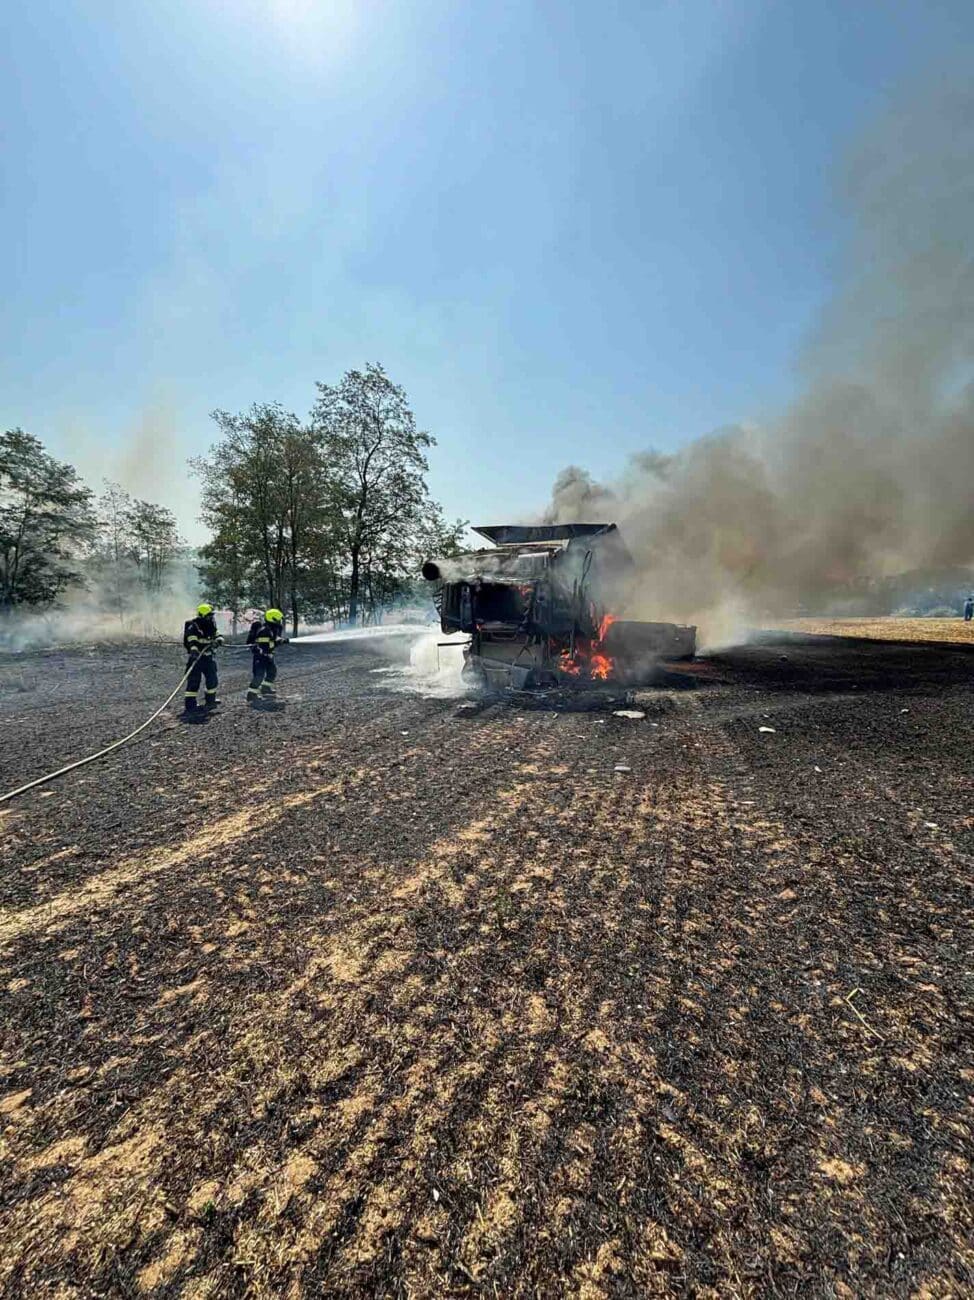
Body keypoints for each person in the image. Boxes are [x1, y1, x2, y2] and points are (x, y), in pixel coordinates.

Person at [183, 603, 224, 715]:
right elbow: (191, 639)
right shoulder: (194, 625)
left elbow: (217, 634)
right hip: (197, 658)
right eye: (209, 615)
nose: (211, 617)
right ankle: (190, 706)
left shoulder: (211, 624)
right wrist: (194, 650)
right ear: (203, 615)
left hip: (208, 656)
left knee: (212, 679)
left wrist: (219, 640)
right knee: (194, 681)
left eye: (211, 615)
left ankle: (210, 700)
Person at [247, 608, 286, 705]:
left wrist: (280, 640)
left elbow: (273, 640)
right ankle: (251, 695)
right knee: (259, 675)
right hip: (260, 657)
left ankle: (265, 688)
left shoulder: (273, 628)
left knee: (272, 672)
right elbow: (265, 646)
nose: (280, 621)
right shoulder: (264, 630)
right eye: (278, 619)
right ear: (272, 619)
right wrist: (278, 642)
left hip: (268, 656)